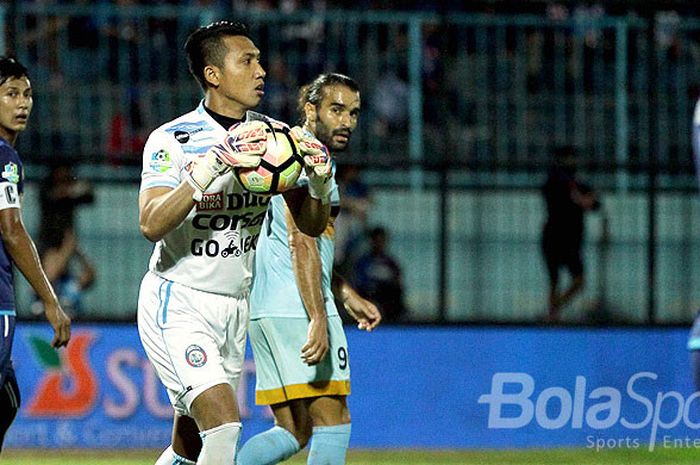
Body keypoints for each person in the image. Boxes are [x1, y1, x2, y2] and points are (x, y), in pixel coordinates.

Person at [137, 21, 332, 465]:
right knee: (224, 427)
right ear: (213, 75)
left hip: (233, 307)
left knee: (189, 445)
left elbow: (311, 225)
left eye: (260, 60)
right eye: (247, 61)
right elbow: (150, 223)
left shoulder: (276, 140)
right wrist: (207, 169)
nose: (261, 70)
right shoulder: (174, 140)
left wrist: (319, 184)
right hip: (178, 300)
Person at [237, 73, 381, 465]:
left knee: (294, 430)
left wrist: (344, 292)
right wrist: (317, 314)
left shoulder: (282, 153)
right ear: (310, 109)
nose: (347, 121)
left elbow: (313, 240)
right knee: (334, 421)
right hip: (298, 307)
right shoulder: (306, 157)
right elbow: (300, 239)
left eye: (353, 112)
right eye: (336, 110)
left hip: (266, 307)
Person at [0, 57, 71, 453]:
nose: (22, 103)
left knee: (6, 397)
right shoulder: (4, 158)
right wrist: (50, 300)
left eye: (27, 94)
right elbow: (11, 229)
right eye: (11, 93)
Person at [541, 145, 600, 322]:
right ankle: (553, 314)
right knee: (554, 279)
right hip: (555, 236)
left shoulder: (577, 183)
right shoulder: (554, 181)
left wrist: (583, 200)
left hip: (571, 239)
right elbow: (567, 200)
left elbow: (594, 203)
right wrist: (580, 201)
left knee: (578, 280)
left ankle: (554, 308)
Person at [33, 161, 96, 318]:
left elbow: (90, 275)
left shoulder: (69, 285)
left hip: (72, 328)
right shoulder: (40, 288)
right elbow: (52, 272)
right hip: (46, 328)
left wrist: (76, 251)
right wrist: (68, 247)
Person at [353, 226, 407, 323]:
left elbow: (398, 282)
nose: (379, 244)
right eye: (376, 240)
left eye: (381, 241)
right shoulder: (363, 262)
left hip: (386, 299)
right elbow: (357, 282)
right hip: (368, 297)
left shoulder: (391, 263)